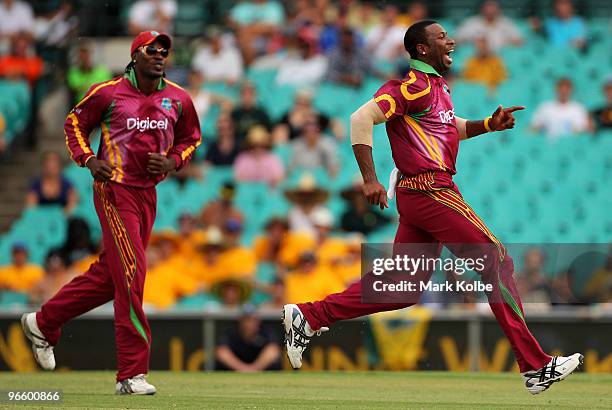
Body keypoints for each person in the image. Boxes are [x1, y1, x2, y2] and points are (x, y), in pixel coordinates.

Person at [282, 20, 583, 395]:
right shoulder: (412, 85)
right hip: (430, 190)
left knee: (403, 288)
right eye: (442, 37)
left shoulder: (436, 87)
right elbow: (361, 118)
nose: (451, 40)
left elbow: (447, 127)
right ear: (422, 49)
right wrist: (370, 179)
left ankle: (310, 315)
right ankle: (535, 366)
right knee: (497, 260)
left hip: (422, 194)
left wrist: (489, 123)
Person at [21, 30, 201, 395]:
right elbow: (74, 123)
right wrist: (88, 159)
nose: (160, 55)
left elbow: (191, 138)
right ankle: (130, 374)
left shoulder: (178, 98)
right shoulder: (108, 92)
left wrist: (171, 161)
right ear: (135, 55)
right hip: (114, 189)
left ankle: (42, 322)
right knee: (133, 273)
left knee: (112, 276)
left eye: (164, 50)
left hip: (147, 194)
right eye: (152, 50)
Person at [215, 305, 281, 371]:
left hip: (262, 373)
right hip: (235, 373)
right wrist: (243, 368)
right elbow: (221, 352)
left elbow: (273, 351)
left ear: (258, 320)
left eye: (253, 319)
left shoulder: (266, 331)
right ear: (241, 320)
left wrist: (254, 368)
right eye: (246, 319)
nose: (249, 323)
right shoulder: (232, 332)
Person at [455, 0, 522, 51]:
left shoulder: (507, 24)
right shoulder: (471, 23)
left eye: (493, 6)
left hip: (502, 60)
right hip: (477, 59)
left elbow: (519, 42)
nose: (490, 10)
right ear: (482, 9)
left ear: (499, 9)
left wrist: (507, 43)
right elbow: (456, 40)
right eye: (488, 6)